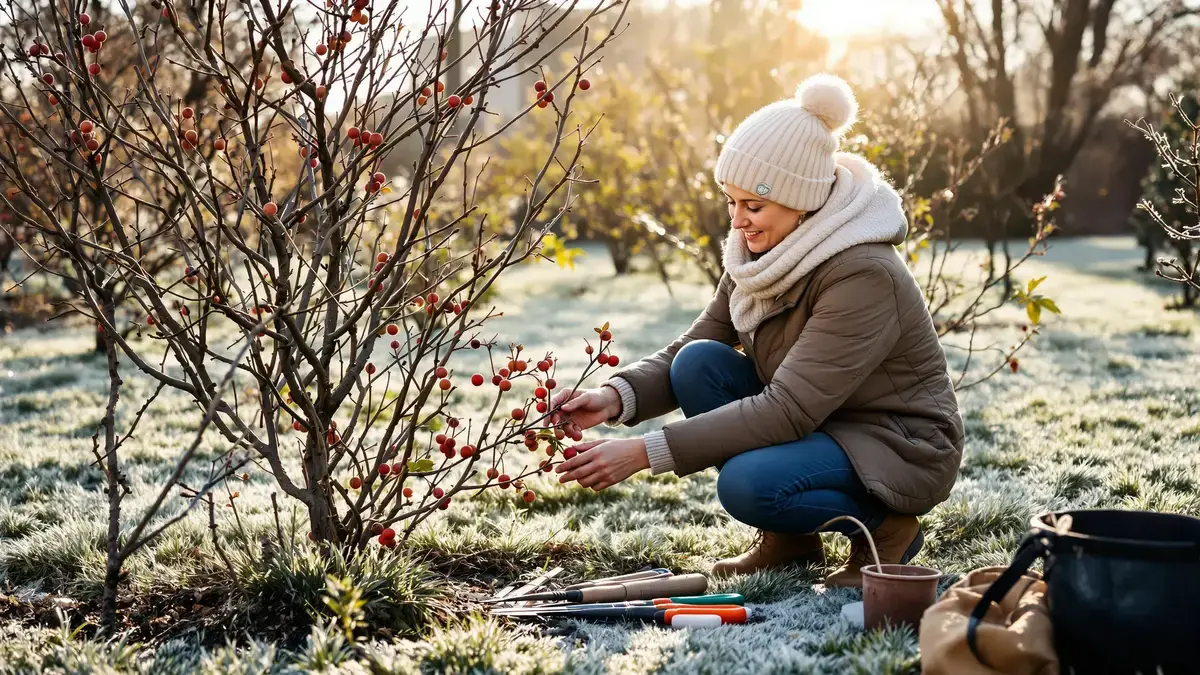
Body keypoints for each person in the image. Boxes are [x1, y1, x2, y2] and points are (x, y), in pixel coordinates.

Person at [550, 74, 964, 588]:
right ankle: (791, 541)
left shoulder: (862, 272)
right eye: (731, 201)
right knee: (698, 363)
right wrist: (614, 397)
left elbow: (788, 408)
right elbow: (695, 342)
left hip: (896, 442)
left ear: (802, 200)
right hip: (823, 419)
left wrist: (643, 453)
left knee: (747, 486)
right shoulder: (762, 255)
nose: (738, 221)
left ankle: (886, 528)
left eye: (753, 205)